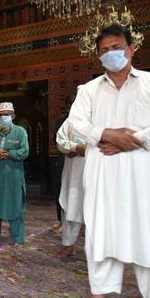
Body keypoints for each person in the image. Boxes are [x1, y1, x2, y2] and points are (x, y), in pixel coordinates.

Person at [67, 24, 150, 298]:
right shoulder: (89, 90)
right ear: (98, 56)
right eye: (104, 50)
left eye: (117, 47)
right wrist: (106, 134)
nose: (111, 53)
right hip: (103, 177)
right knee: (100, 233)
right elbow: (76, 123)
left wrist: (134, 139)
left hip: (142, 178)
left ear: (131, 49)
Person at [0, 102, 29, 244]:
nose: (4, 117)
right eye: (2, 115)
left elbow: (25, 151)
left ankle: (17, 237)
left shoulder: (20, 132)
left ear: (13, 116)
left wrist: (9, 154)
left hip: (13, 176)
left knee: (15, 205)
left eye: (7, 115)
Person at [56, 103, 86, 258]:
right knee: (71, 206)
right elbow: (60, 141)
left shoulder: (101, 121)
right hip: (73, 173)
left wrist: (88, 149)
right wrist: (75, 148)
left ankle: (96, 250)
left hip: (96, 173)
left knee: (97, 210)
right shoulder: (70, 122)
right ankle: (68, 245)